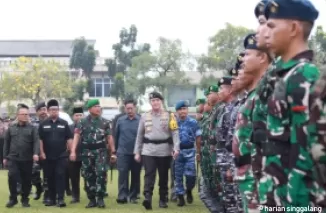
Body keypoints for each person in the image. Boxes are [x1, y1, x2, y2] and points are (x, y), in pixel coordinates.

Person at [263, 0, 323, 209]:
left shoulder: (303, 76)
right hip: (279, 194)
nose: (266, 33)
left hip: (297, 200)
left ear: (294, 29)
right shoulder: (287, 76)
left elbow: (306, 153)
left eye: (272, 26)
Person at [134, 91, 180, 210]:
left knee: (163, 175)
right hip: (148, 150)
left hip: (164, 150)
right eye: (153, 101)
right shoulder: (144, 116)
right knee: (149, 174)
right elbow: (139, 135)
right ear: (150, 103)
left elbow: (175, 133)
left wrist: (176, 148)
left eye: (157, 100)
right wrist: (137, 152)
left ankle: (163, 199)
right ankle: (147, 198)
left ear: (161, 102)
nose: (155, 103)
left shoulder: (170, 115)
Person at [70, 99, 116, 208]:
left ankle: (100, 198)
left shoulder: (105, 122)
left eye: (99, 106)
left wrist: (113, 152)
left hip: (101, 152)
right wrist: (73, 151)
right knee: (88, 175)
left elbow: (109, 137)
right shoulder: (82, 122)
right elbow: (76, 136)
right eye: (95, 106)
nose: (98, 108)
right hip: (86, 152)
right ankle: (91, 199)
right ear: (89, 109)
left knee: (101, 174)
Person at [3, 104, 39, 208]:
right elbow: (6, 143)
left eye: (27, 114)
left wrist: (36, 153)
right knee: (12, 176)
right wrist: (5, 157)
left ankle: (25, 200)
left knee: (26, 180)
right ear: (18, 115)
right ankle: (13, 199)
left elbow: (36, 142)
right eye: (23, 114)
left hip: (27, 158)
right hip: (13, 157)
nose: (25, 116)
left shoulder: (33, 128)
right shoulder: (11, 128)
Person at [39, 99, 73, 207]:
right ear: (48, 111)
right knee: (50, 177)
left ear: (58, 110)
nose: (54, 112)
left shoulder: (64, 123)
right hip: (47, 156)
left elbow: (69, 138)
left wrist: (71, 151)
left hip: (61, 155)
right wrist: (42, 152)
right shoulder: (43, 124)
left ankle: (61, 199)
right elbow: (40, 140)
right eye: (52, 110)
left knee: (60, 176)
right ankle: (52, 199)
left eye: (56, 110)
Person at [174, 100, 201, 207]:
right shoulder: (174, 123)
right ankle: (180, 197)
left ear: (187, 110)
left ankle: (189, 190)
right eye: (180, 109)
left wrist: (199, 152)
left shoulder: (193, 122)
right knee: (178, 176)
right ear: (177, 112)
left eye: (184, 109)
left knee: (191, 176)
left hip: (190, 152)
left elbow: (198, 137)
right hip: (178, 152)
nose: (182, 111)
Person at [115, 99, 141, 204]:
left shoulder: (140, 120)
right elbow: (116, 136)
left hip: (136, 152)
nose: (129, 110)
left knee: (135, 175)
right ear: (125, 108)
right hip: (122, 152)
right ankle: (122, 196)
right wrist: (115, 151)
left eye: (131, 108)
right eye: (127, 108)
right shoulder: (120, 120)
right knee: (122, 175)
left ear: (135, 108)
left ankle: (133, 196)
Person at [30, 102, 48, 201]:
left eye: (44, 109)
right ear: (37, 112)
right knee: (33, 173)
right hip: (35, 152)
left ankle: (47, 195)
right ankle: (39, 188)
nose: (43, 112)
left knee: (47, 175)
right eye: (40, 110)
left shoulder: (51, 121)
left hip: (48, 152)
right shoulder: (32, 123)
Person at [67, 106, 84, 204]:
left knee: (88, 176)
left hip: (86, 155)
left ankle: (91, 194)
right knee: (74, 177)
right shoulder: (69, 128)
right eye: (77, 115)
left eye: (80, 115)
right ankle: (75, 196)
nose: (79, 117)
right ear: (73, 117)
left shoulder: (87, 126)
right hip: (73, 156)